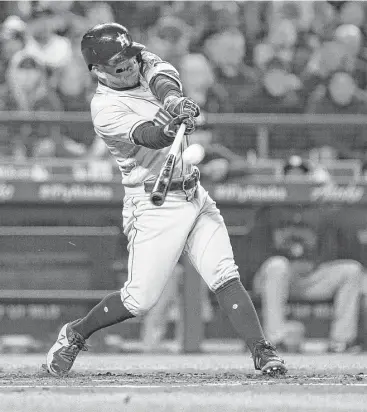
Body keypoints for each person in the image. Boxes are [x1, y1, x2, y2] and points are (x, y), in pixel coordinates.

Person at [45, 22, 286, 377]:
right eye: (116, 62)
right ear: (96, 70)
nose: (127, 65)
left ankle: (262, 351)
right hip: (153, 205)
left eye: (127, 56)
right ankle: (75, 334)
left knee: (223, 273)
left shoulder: (141, 59)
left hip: (192, 191)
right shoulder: (104, 108)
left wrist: (175, 102)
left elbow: (163, 82)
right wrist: (168, 129)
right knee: (138, 300)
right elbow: (148, 135)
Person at [252, 159, 364, 353]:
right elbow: (254, 250)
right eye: (291, 175)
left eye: (301, 175)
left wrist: (328, 192)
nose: (296, 179)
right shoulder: (268, 207)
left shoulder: (321, 210)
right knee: (277, 266)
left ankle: (341, 341)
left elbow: (344, 233)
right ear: (283, 179)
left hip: (310, 279)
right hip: (274, 279)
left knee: (351, 270)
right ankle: (275, 341)